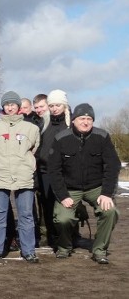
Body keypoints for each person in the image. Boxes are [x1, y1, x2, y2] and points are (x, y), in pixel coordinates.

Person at [48, 103, 120, 264]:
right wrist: (63, 195)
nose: (86, 122)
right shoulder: (61, 139)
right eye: (82, 118)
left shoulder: (102, 137)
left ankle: (99, 249)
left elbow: (112, 166)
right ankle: (64, 247)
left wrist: (107, 193)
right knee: (63, 219)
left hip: (96, 187)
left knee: (110, 212)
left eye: (89, 119)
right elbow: (54, 170)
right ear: (73, 120)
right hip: (70, 188)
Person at [0, 91, 41, 263]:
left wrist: (25, 163)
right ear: (3, 107)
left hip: (24, 175)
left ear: (18, 106)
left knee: (26, 214)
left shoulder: (32, 128)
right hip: (0, 175)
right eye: (7, 104)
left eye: (13, 104)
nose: (10, 107)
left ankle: (28, 250)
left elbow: (34, 148)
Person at [36, 89, 71, 249]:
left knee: (64, 207)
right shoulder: (44, 123)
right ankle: (50, 237)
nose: (55, 108)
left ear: (64, 105)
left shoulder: (71, 124)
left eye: (58, 105)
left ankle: (66, 237)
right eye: (52, 105)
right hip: (44, 172)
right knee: (47, 206)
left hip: (65, 173)